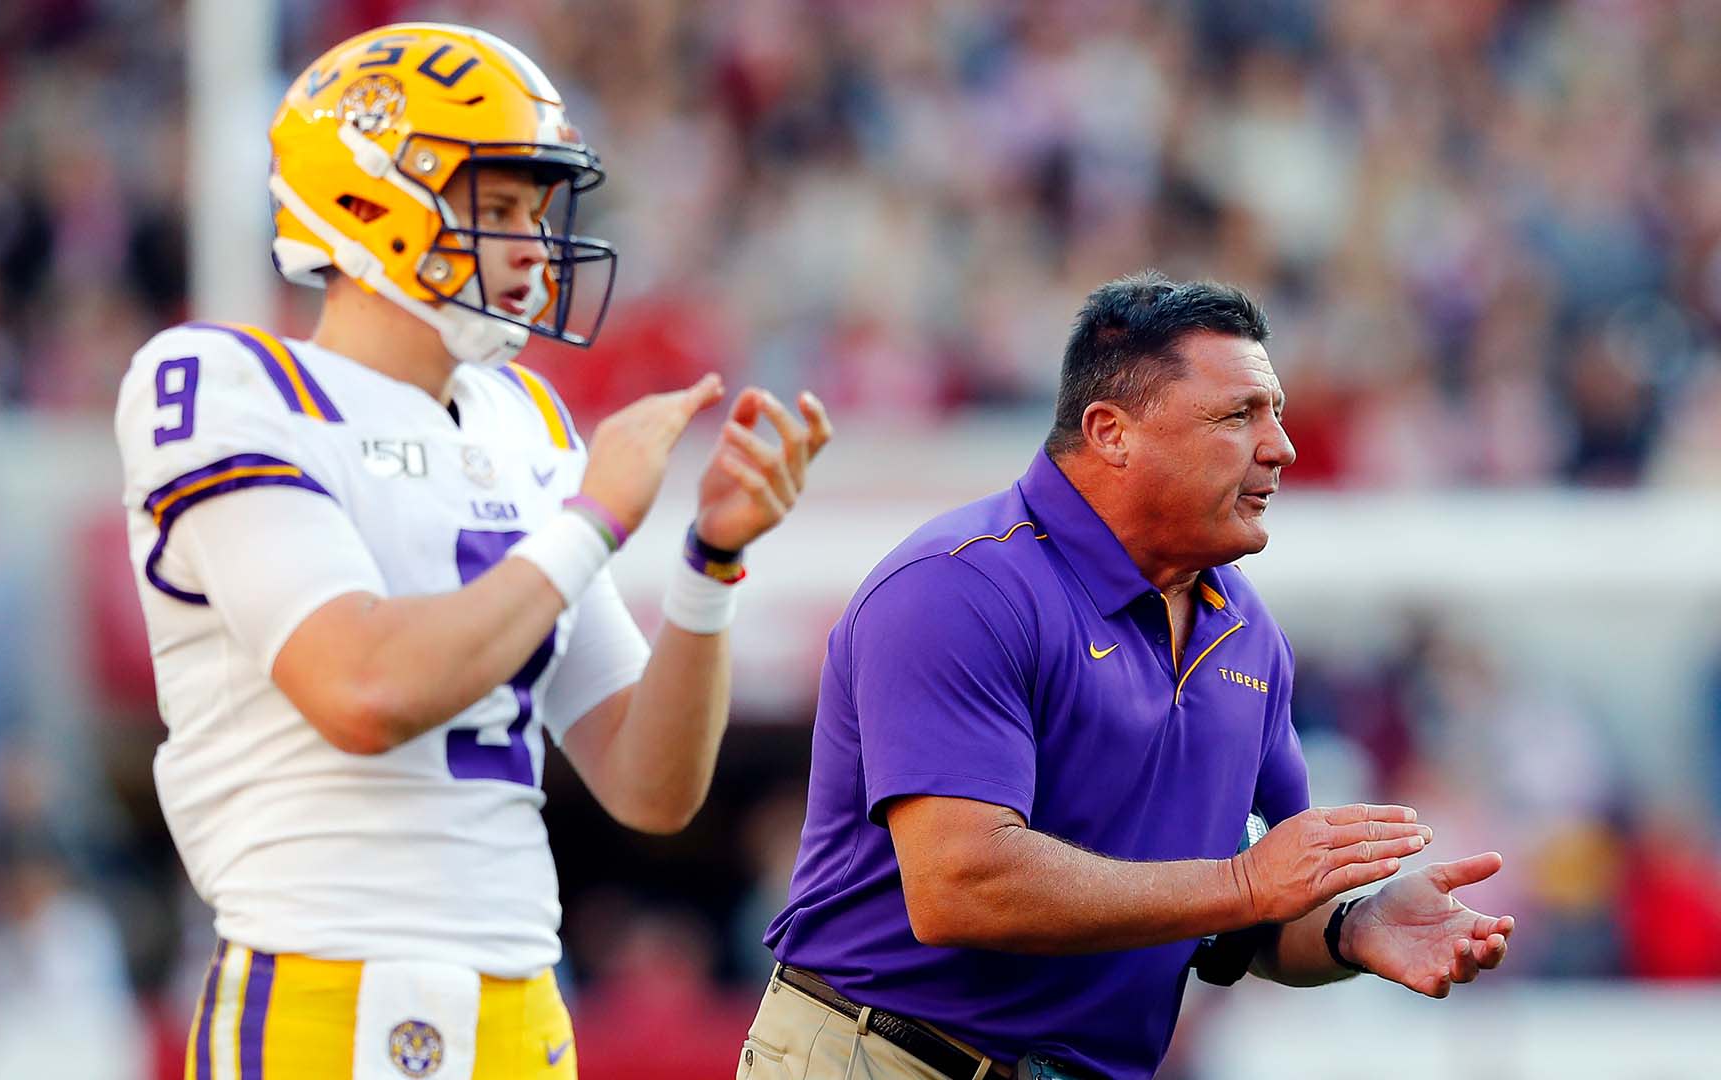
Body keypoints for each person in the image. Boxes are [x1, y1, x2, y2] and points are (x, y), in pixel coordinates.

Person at [113, 23, 831, 1080]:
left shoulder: (519, 417)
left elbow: (649, 783)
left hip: (523, 998)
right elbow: (360, 686)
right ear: (366, 201)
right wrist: (591, 522)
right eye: (495, 209)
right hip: (323, 985)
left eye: (536, 214)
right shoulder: (227, 385)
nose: (533, 249)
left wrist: (708, 564)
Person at [745, 272, 1511, 1080]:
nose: (1280, 446)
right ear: (1111, 432)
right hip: (883, 1059)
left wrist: (1350, 927)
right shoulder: (958, 588)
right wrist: (1245, 885)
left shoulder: (1249, 636)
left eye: (1275, 412)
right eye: (1237, 415)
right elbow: (963, 886)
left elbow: (1256, 911)